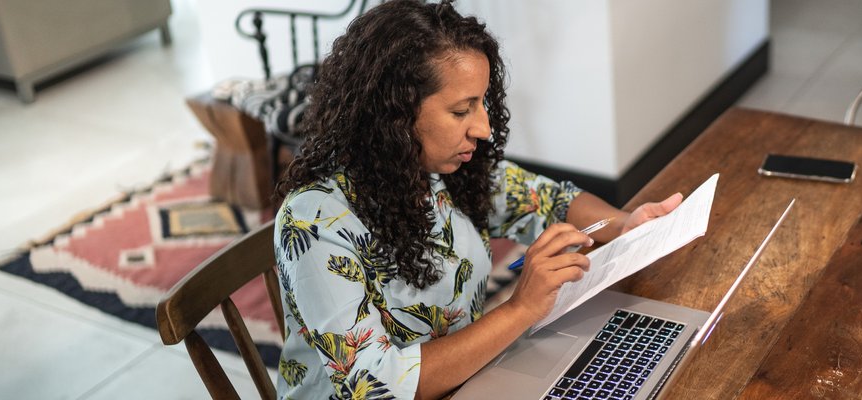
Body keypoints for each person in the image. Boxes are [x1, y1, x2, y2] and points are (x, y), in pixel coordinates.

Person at [272, 1, 683, 399]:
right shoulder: (315, 221)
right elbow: (375, 386)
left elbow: (551, 200)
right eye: (461, 111)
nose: (483, 128)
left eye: (482, 103)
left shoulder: (444, 172)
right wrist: (519, 309)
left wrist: (625, 224)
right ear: (392, 113)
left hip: (466, 378)